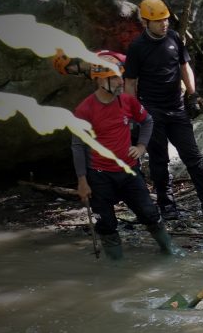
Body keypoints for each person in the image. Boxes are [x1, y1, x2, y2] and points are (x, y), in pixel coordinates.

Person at [124, 0, 203, 221]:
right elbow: (131, 83)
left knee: (194, 158)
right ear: (146, 22)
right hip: (152, 111)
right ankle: (167, 205)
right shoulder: (137, 48)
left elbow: (184, 66)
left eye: (166, 20)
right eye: (158, 21)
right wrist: (133, 113)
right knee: (159, 160)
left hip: (177, 108)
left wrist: (193, 93)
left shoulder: (173, 38)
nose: (164, 24)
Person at [72, 51, 184, 260]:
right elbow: (78, 146)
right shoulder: (84, 110)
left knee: (149, 213)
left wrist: (141, 146)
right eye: (114, 78)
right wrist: (82, 181)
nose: (119, 82)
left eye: (120, 77)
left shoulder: (127, 101)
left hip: (129, 169)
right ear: (100, 80)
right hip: (99, 174)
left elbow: (147, 121)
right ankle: (116, 266)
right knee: (106, 223)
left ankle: (169, 249)